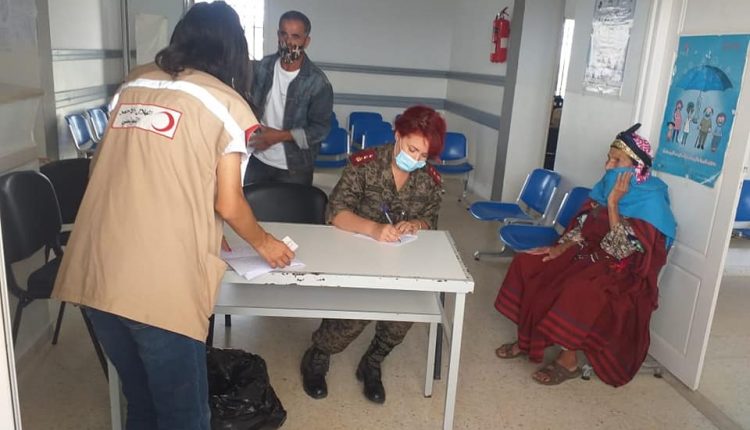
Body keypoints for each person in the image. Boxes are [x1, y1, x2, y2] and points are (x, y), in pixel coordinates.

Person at [52, 3, 294, 429]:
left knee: (142, 403)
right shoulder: (226, 104)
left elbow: (115, 171)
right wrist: (264, 243)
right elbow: (229, 203)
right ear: (234, 51)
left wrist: (200, 224)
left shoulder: (133, 84)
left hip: (94, 272)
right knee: (185, 416)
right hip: (156, 289)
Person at [494, 123, 676, 387]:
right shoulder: (605, 186)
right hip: (588, 254)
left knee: (577, 289)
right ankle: (529, 340)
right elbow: (584, 226)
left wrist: (613, 203)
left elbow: (622, 250)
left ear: (637, 167)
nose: (608, 166)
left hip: (621, 272)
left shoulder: (651, 204)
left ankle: (568, 362)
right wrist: (559, 248)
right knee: (529, 262)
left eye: (617, 161)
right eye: (608, 158)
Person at [299, 105, 445, 403]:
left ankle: (373, 362)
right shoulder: (365, 164)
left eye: (424, 155)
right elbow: (336, 212)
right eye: (412, 149)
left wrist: (416, 224)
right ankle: (318, 355)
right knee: (352, 318)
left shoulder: (428, 178)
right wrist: (373, 229)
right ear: (398, 134)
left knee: (403, 316)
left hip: (401, 261)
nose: (416, 159)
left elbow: (431, 219)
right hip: (355, 255)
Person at [243, 10, 334, 186]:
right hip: (258, 159)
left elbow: (320, 130)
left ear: (306, 41)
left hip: (295, 167)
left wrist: (279, 136)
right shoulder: (262, 68)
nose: (288, 42)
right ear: (278, 35)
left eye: (296, 36)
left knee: (292, 205)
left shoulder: (318, 83)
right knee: (251, 202)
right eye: (284, 34)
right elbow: (248, 104)